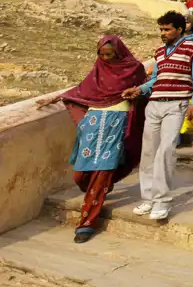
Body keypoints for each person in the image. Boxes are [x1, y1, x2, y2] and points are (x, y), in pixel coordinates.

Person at [36, 36, 147, 243]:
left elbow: (145, 91)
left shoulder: (134, 68)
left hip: (117, 123)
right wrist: (56, 97)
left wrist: (136, 96)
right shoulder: (99, 69)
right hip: (93, 124)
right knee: (80, 175)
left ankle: (87, 223)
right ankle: (104, 186)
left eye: (109, 54)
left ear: (118, 52)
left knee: (103, 170)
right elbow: (82, 90)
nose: (105, 58)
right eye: (101, 54)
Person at [121, 11, 193, 221]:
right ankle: (148, 199)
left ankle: (162, 201)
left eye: (167, 29)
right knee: (148, 152)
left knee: (166, 151)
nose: (163, 33)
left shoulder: (192, 48)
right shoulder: (159, 52)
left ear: (179, 29)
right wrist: (139, 89)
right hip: (155, 104)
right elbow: (156, 79)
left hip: (176, 105)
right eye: (161, 29)